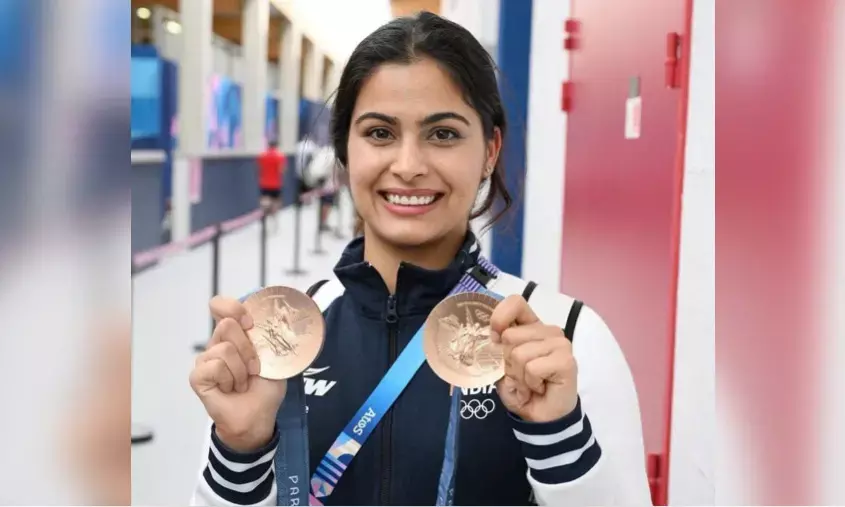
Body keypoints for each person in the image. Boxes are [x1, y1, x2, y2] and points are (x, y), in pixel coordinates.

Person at [188, 12, 651, 506]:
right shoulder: (280, 338)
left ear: (490, 151)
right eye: (380, 133)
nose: (408, 166)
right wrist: (240, 451)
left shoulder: (565, 337)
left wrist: (560, 440)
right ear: (345, 149)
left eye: (444, 134)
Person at [258, 140, 286, 231]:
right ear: (276, 145)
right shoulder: (280, 156)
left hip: (264, 183)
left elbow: (259, 169)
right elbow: (282, 170)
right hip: (275, 184)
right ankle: (274, 220)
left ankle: (265, 219)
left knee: (265, 201)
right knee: (275, 202)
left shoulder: (262, 155)